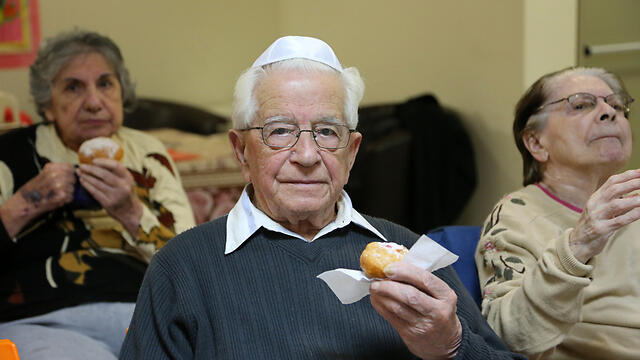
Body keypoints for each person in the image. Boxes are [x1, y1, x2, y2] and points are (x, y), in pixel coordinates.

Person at [120, 35, 523, 360]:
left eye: (328, 132)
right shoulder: (184, 266)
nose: (308, 156)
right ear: (242, 152)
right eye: (279, 131)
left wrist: (453, 347)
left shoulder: (409, 256)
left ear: (352, 152)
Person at [0, 30, 195, 359]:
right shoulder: (10, 153)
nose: (93, 102)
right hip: (42, 319)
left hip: (144, 313)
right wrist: (26, 203)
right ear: (48, 104)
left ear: (122, 92)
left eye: (105, 84)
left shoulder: (147, 153)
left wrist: (131, 211)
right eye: (73, 87)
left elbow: (191, 261)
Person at [476, 67, 640, 359]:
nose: (609, 113)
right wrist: (578, 246)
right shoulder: (516, 216)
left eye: (616, 105)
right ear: (536, 143)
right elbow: (506, 337)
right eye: (581, 105)